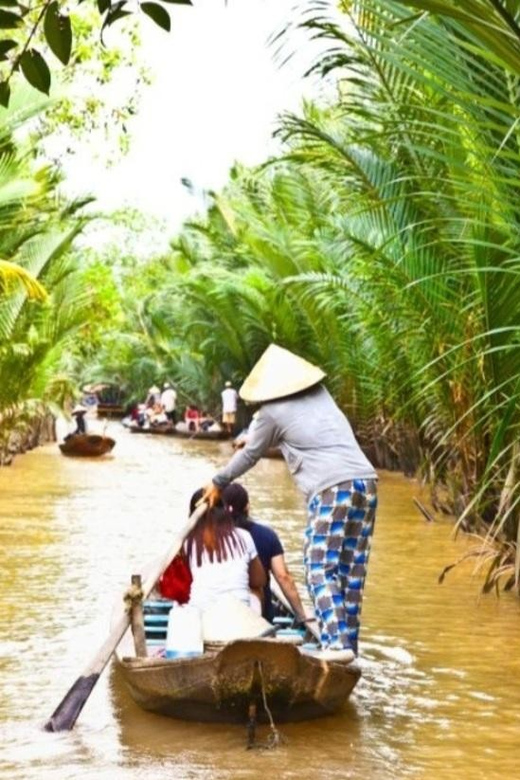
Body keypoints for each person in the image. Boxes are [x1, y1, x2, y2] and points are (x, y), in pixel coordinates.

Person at [203, 344, 377, 662]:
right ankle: (349, 647)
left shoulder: (270, 412)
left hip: (331, 488)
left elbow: (251, 455)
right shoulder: (321, 394)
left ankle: (336, 646)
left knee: (318, 566)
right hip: (366, 483)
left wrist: (218, 482)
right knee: (351, 571)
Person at [222, 482, 308, 624]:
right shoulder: (267, 535)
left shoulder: (212, 538)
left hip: (220, 611)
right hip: (261, 615)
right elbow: (283, 576)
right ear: (247, 506)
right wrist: (301, 615)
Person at [184, 489, 266, 612]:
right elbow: (259, 580)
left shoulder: (186, 542)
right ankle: (256, 625)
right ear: (225, 512)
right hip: (239, 612)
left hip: (201, 611)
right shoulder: (244, 536)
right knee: (257, 591)